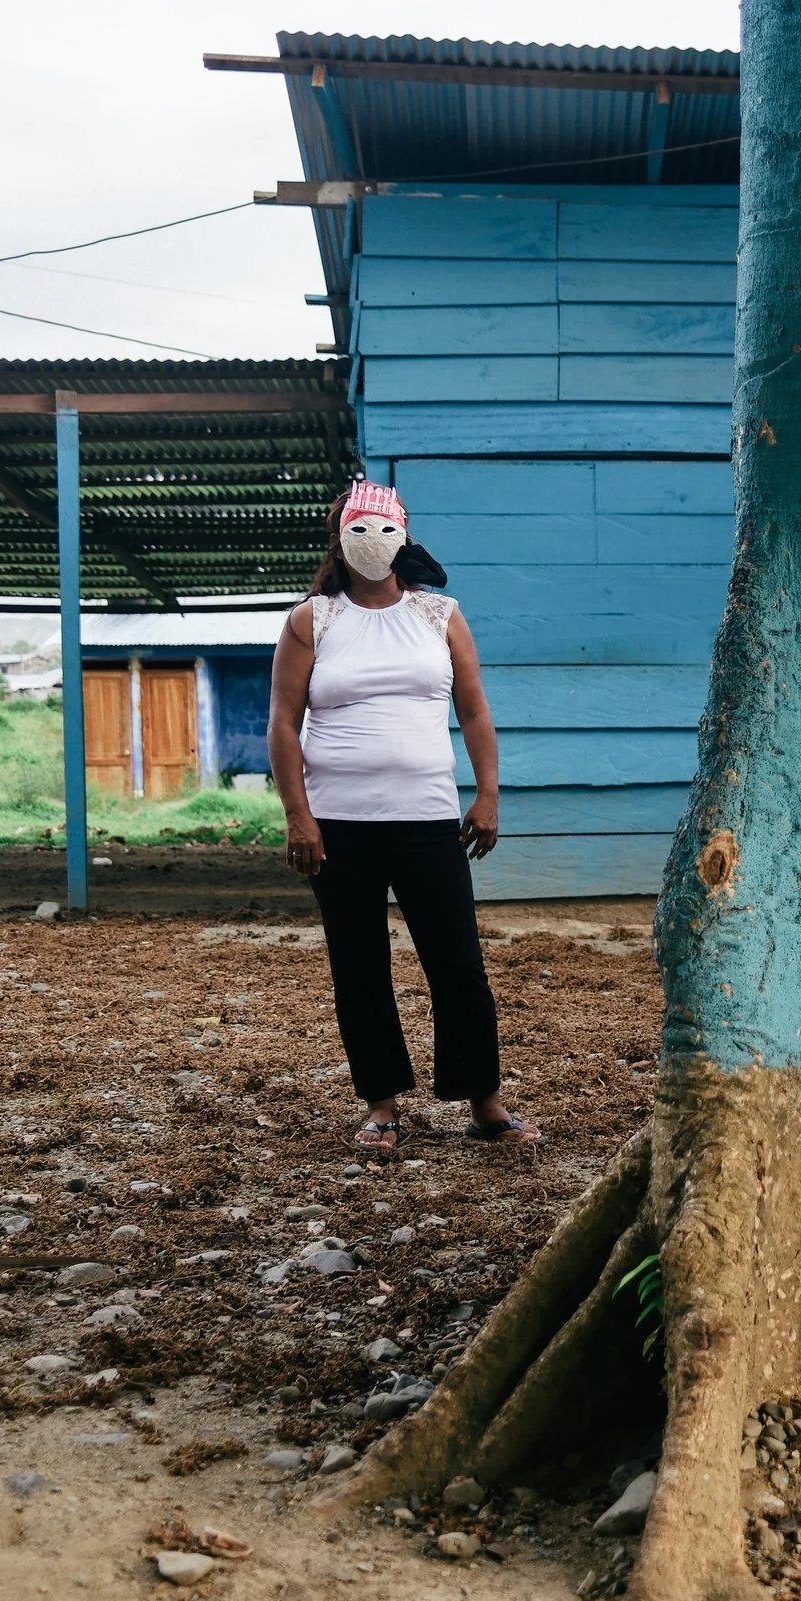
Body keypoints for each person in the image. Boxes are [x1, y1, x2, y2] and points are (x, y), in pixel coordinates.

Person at [267, 480, 539, 1151]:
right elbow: (281, 722)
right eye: (358, 529)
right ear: (339, 537)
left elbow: (474, 710)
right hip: (339, 827)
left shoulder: (438, 614)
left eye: (386, 530)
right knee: (359, 967)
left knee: (457, 964)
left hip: (426, 820)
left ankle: (485, 1103)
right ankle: (382, 1106)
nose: (373, 543)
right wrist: (298, 816)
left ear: (405, 535)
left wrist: (489, 793)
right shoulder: (312, 620)